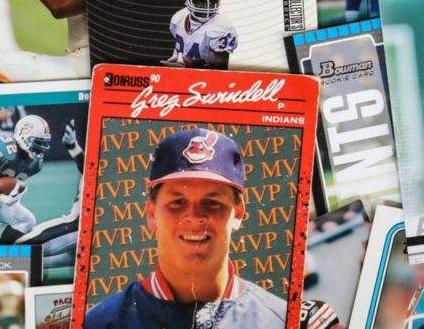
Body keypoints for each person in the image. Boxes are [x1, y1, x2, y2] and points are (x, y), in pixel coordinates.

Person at [83, 128, 287, 329]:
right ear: (152, 213)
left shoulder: (279, 320)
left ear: (238, 213)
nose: (194, 217)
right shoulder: (99, 323)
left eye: (212, 203)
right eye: (178, 201)